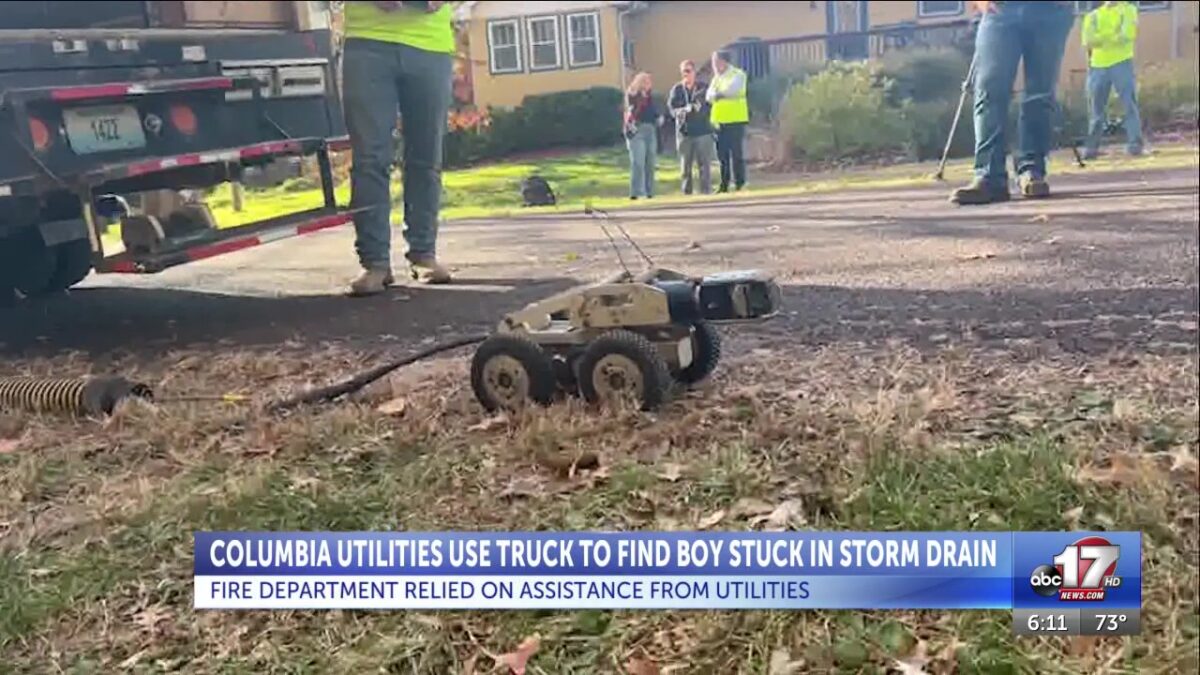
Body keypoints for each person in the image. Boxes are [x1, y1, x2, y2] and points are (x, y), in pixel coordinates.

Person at [341, 0, 455, 297]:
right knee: (370, 158)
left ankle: (423, 254)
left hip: (431, 46)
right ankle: (375, 264)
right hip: (367, 44)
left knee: (426, 157)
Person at [950, 0, 1075, 206]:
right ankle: (989, 175)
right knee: (990, 90)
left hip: (1050, 10)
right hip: (1000, 10)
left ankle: (1032, 170)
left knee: (1040, 93)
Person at [1081, 1, 1145, 159]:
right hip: (1097, 66)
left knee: (1129, 104)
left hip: (1122, 62)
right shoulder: (1093, 15)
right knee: (1096, 109)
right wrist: (1112, 34)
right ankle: (1091, 149)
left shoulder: (1128, 10)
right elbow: (1087, 41)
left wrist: (1101, 38)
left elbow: (1127, 35)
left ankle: (1135, 145)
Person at [668, 59, 716, 195]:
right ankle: (687, 194)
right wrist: (682, 111)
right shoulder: (677, 90)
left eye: (688, 71)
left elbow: (710, 106)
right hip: (685, 133)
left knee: (704, 165)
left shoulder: (703, 88)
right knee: (685, 167)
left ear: (694, 72)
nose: (686, 74)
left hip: (703, 131)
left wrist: (699, 109)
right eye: (683, 71)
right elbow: (672, 109)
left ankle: (706, 192)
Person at [706, 50, 749, 193]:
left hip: (736, 119)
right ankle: (724, 184)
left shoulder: (738, 74)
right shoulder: (716, 78)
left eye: (716, 61)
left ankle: (739, 183)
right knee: (721, 155)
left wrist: (719, 94)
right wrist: (718, 95)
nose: (714, 65)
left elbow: (733, 91)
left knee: (736, 153)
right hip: (719, 120)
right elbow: (709, 96)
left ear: (724, 61)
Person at [624, 72, 663, 200]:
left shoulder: (651, 96)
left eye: (649, 81)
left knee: (650, 162)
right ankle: (636, 192)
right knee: (638, 162)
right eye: (645, 81)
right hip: (637, 130)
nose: (649, 83)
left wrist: (659, 117)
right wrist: (638, 88)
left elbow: (653, 111)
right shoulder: (634, 94)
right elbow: (632, 101)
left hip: (650, 130)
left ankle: (650, 192)